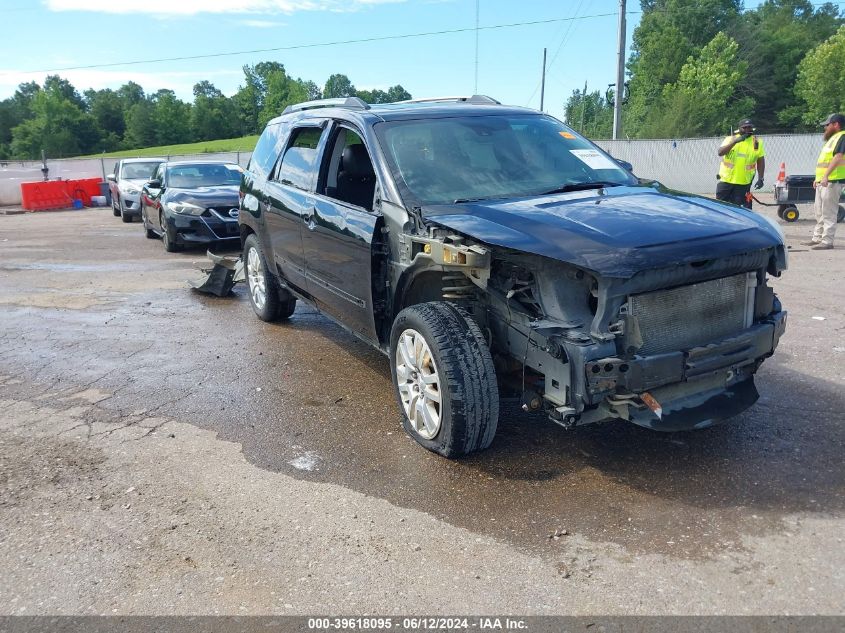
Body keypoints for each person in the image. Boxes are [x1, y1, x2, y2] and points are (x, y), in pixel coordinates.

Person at [800, 113, 845, 250]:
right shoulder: (832, 139)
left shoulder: (842, 137)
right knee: (819, 212)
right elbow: (823, 162)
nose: (825, 127)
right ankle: (817, 238)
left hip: (832, 180)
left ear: (836, 124)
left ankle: (827, 241)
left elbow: (837, 158)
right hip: (823, 181)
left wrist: (825, 176)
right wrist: (818, 179)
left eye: (827, 124)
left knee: (829, 212)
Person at [716, 118, 765, 208]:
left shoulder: (757, 142)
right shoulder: (730, 139)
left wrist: (761, 178)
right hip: (726, 181)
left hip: (743, 182)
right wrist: (735, 142)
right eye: (744, 127)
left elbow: (761, 160)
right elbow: (720, 153)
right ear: (739, 129)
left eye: (749, 127)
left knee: (740, 209)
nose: (747, 129)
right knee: (720, 207)